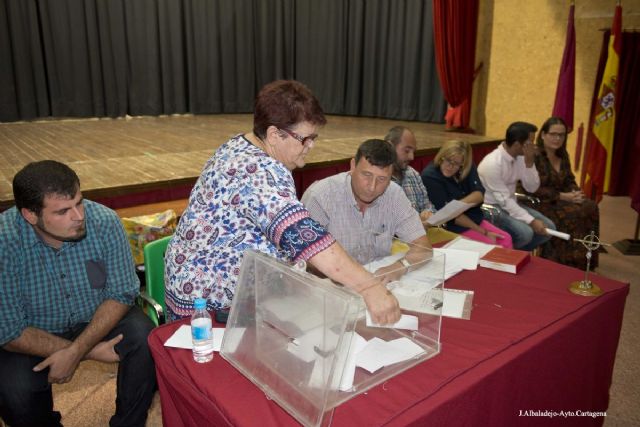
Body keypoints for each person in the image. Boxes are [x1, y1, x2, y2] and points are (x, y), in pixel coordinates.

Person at [164, 80, 399, 325]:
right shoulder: (259, 171)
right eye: (305, 138)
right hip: (207, 310)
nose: (311, 146)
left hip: (216, 292)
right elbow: (304, 236)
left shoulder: (242, 144)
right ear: (275, 134)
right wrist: (370, 287)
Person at [0, 161, 156, 427]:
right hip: (32, 330)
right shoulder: (5, 240)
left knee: (145, 338)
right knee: (14, 391)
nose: (78, 216)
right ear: (30, 215)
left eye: (79, 202)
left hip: (95, 316)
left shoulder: (104, 221)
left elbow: (121, 293)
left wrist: (77, 349)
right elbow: (9, 330)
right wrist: (89, 351)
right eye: (62, 211)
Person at [301, 138, 432, 278]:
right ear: (352, 166)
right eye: (366, 175)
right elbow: (306, 258)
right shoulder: (320, 196)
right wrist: (357, 279)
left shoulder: (394, 194)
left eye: (382, 179)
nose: (371, 187)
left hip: (376, 280)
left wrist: (399, 268)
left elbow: (423, 248)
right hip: (330, 284)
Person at [521, 117, 599, 269]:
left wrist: (576, 193)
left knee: (590, 206)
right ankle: (558, 262)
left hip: (561, 199)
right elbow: (530, 188)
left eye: (561, 135)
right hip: (538, 202)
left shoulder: (563, 155)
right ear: (543, 135)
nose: (557, 138)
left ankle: (583, 261)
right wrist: (562, 196)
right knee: (571, 213)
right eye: (553, 134)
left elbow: (569, 179)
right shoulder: (534, 156)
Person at [477, 121, 556, 251]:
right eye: (530, 143)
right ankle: (508, 254)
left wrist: (529, 163)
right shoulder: (492, 164)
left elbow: (532, 188)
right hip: (491, 208)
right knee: (525, 234)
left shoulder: (521, 157)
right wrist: (531, 221)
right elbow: (504, 201)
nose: (533, 146)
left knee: (549, 228)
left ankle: (517, 253)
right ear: (517, 144)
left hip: (510, 204)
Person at [421, 140, 513, 248]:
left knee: (506, 239)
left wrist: (456, 207)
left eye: (456, 164)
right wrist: (484, 232)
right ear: (441, 156)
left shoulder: (466, 166)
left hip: (474, 218)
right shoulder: (431, 177)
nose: (450, 166)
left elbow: (479, 194)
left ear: (462, 164)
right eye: (447, 160)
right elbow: (453, 217)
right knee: (493, 247)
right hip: (454, 226)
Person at [384, 126, 436, 225]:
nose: (412, 157)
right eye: (407, 151)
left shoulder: (413, 174)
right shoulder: (377, 180)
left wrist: (428, 213)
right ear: (390, 146)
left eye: (413, 152)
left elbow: (428, 205)